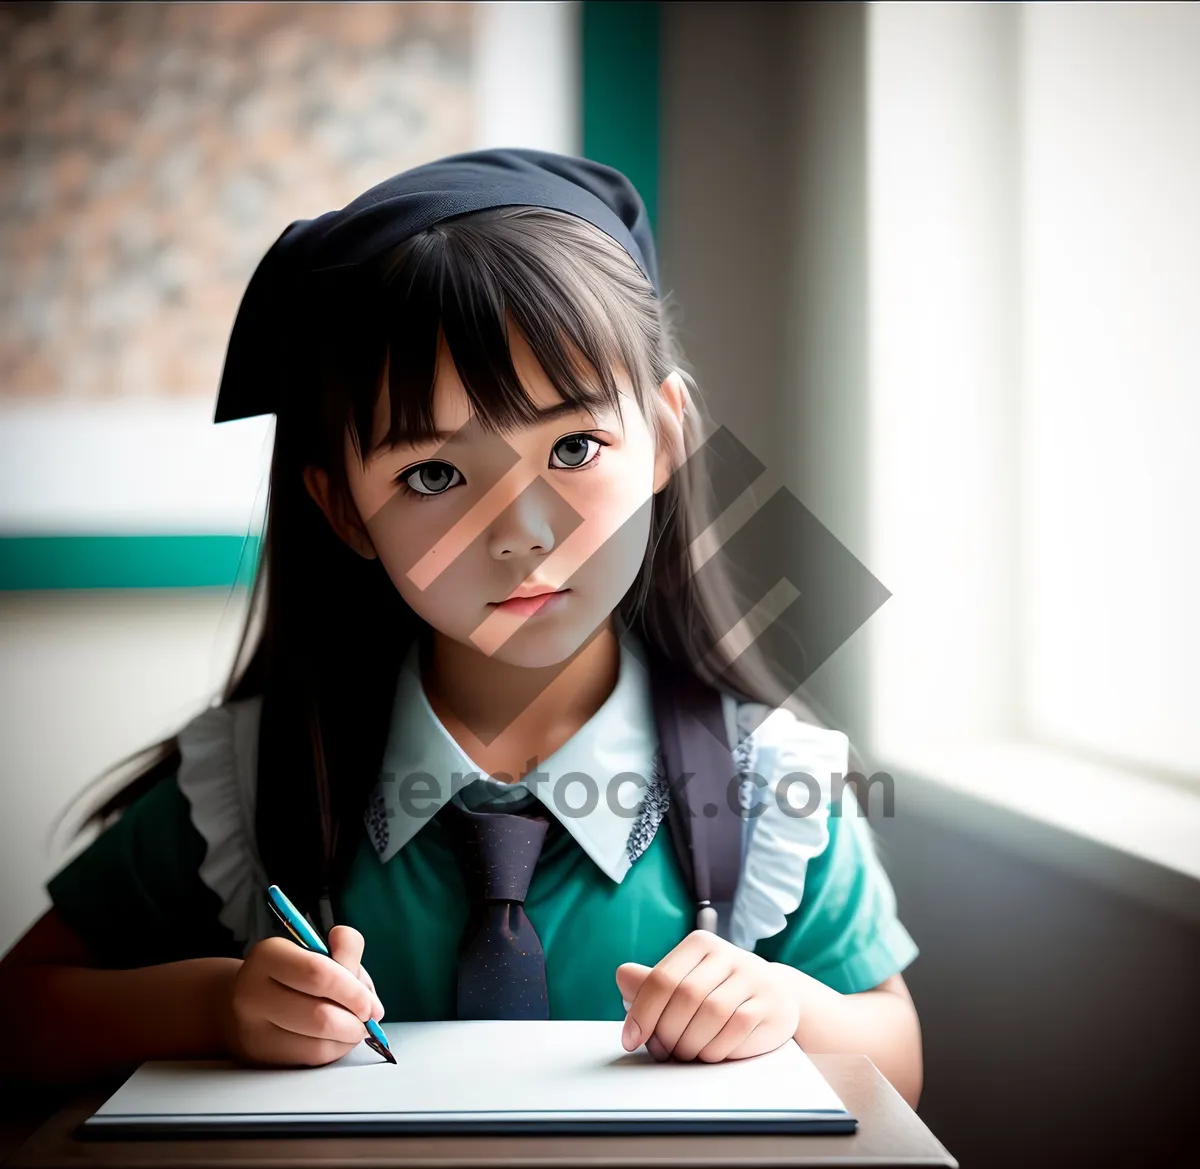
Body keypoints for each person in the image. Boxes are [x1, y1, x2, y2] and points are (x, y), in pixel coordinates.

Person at [0, 149, 922, 1106]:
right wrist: (211, 1006)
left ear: (665, 436)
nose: (522, 536)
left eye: (574, 447)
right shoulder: (249, 781)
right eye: (434, 475)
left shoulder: (770, 786)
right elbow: (20, 1018)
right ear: (345, 509)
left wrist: (783, 1008)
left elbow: (900, 1053)